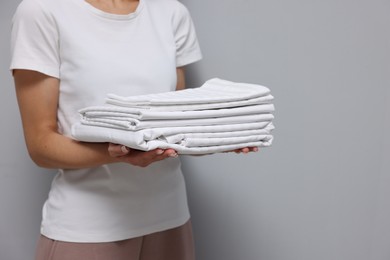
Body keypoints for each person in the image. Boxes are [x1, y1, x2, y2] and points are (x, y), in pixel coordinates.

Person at [10, 0, 258, 259]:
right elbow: (41, 145)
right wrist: (122, 153)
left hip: (170, 222)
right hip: (89, 229)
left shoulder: (171, 12)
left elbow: (175, 126)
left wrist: (221, 137)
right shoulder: (42, 11)